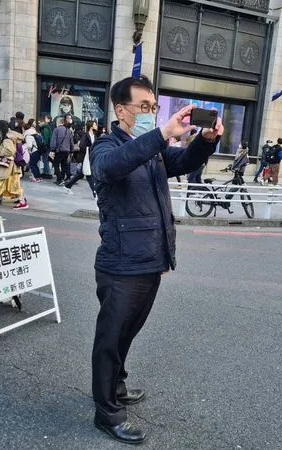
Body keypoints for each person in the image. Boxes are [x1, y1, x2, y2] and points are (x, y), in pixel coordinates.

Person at [89, 75, 223, 444]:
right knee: (110, 338)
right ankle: (107, 412)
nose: (151, 114)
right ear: (121, 111)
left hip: (150, 259)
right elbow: (114, 166)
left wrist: (205, 140)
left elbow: (181, 161)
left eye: (154, 107)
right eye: (143, 108)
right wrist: (161, 133)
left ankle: (116, 388)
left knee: (128, 333)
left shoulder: (152, 148)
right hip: (120, 265)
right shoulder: (105, 146)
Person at [63, 120, 97, 196]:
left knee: (81, 174)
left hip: (90, 158)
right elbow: (81, 146)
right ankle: (95, 194)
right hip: (85, 158)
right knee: (89, 175)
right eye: (95, 124)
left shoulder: (94, 135)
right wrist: (89, 149)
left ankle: (67, 186)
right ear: (91, 126)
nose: (96, 126)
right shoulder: (86, 135)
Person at [50, 113, 75, 185]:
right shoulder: (69, 131)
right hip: (67, 151)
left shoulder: (56, 130)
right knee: (64, 165)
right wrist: (71, 150)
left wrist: (52, 149)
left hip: (59, 150)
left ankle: (60, 179)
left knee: (56, 164)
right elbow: (71, 142)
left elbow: (53, 140)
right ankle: (62, 178)